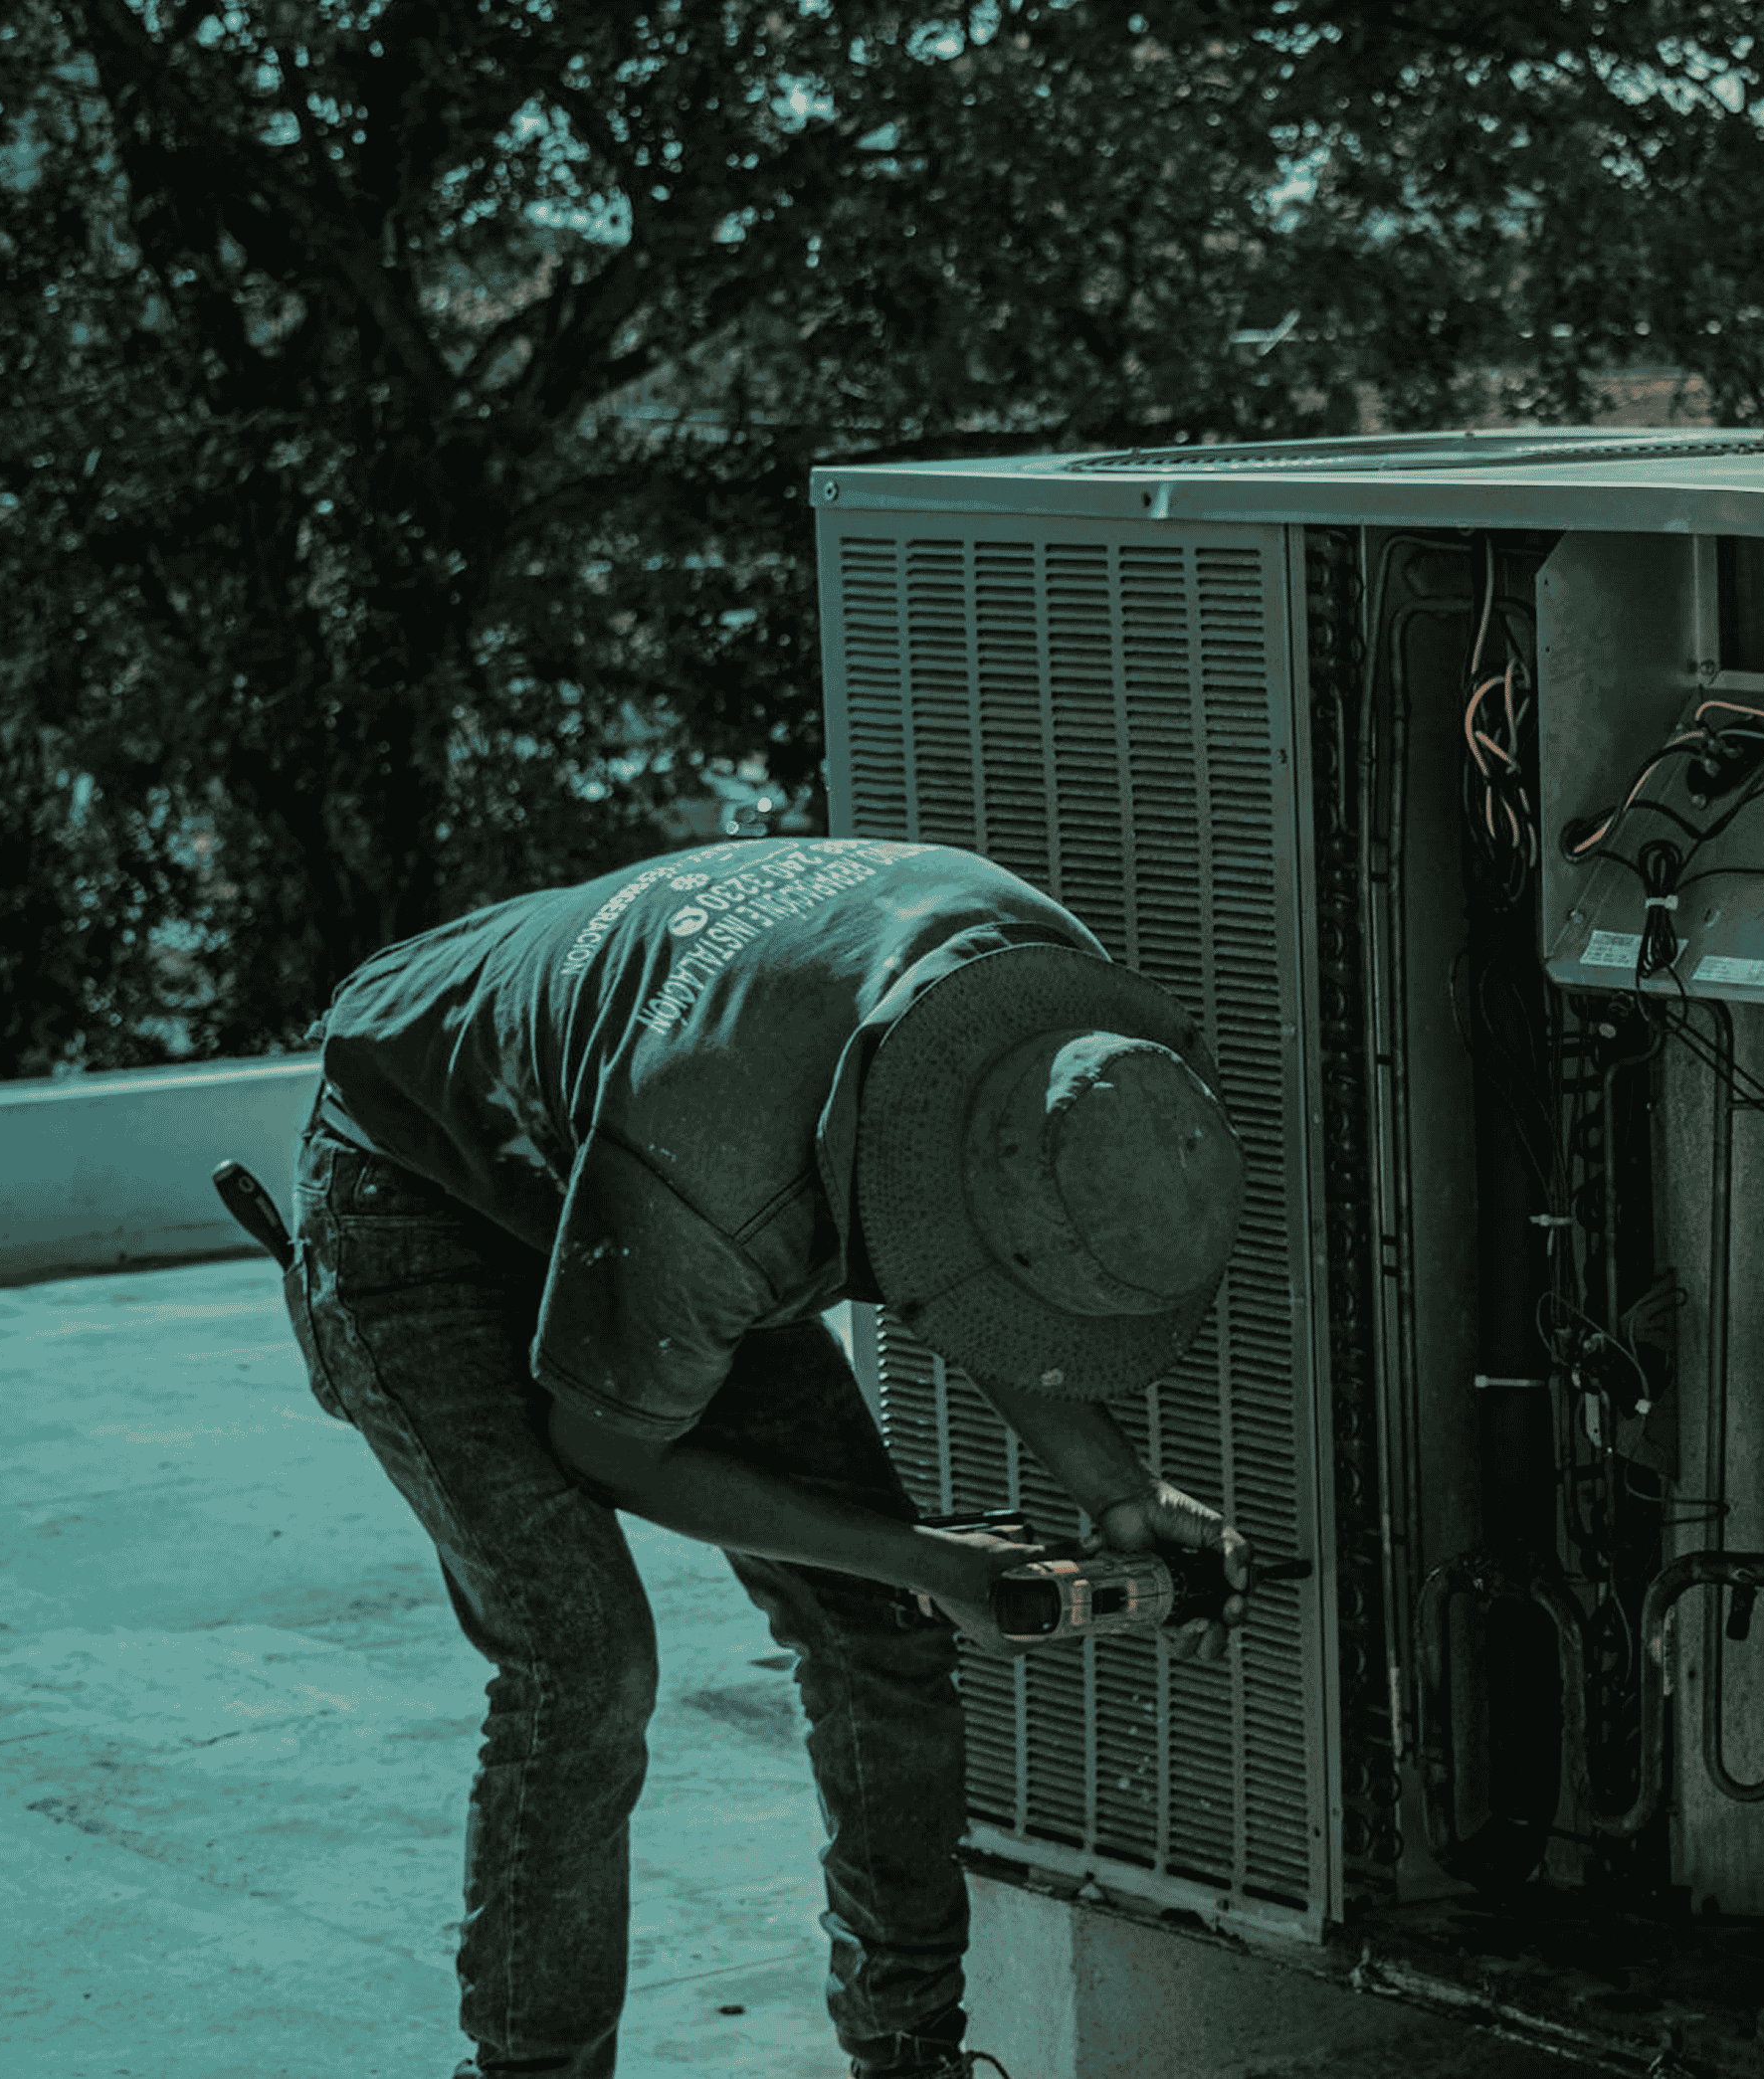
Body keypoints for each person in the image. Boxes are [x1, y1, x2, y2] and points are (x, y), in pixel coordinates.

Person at [282, 836, 1255, 2079]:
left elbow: (982, 1255)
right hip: (415, 1176)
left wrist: (1117, 1493)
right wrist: (917, 1552)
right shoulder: (720, 1183)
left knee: (882, 1631)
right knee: (583, 1657)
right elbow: (616, 1452)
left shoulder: (1040, 999)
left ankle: (909, 2052)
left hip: (637, 1122)